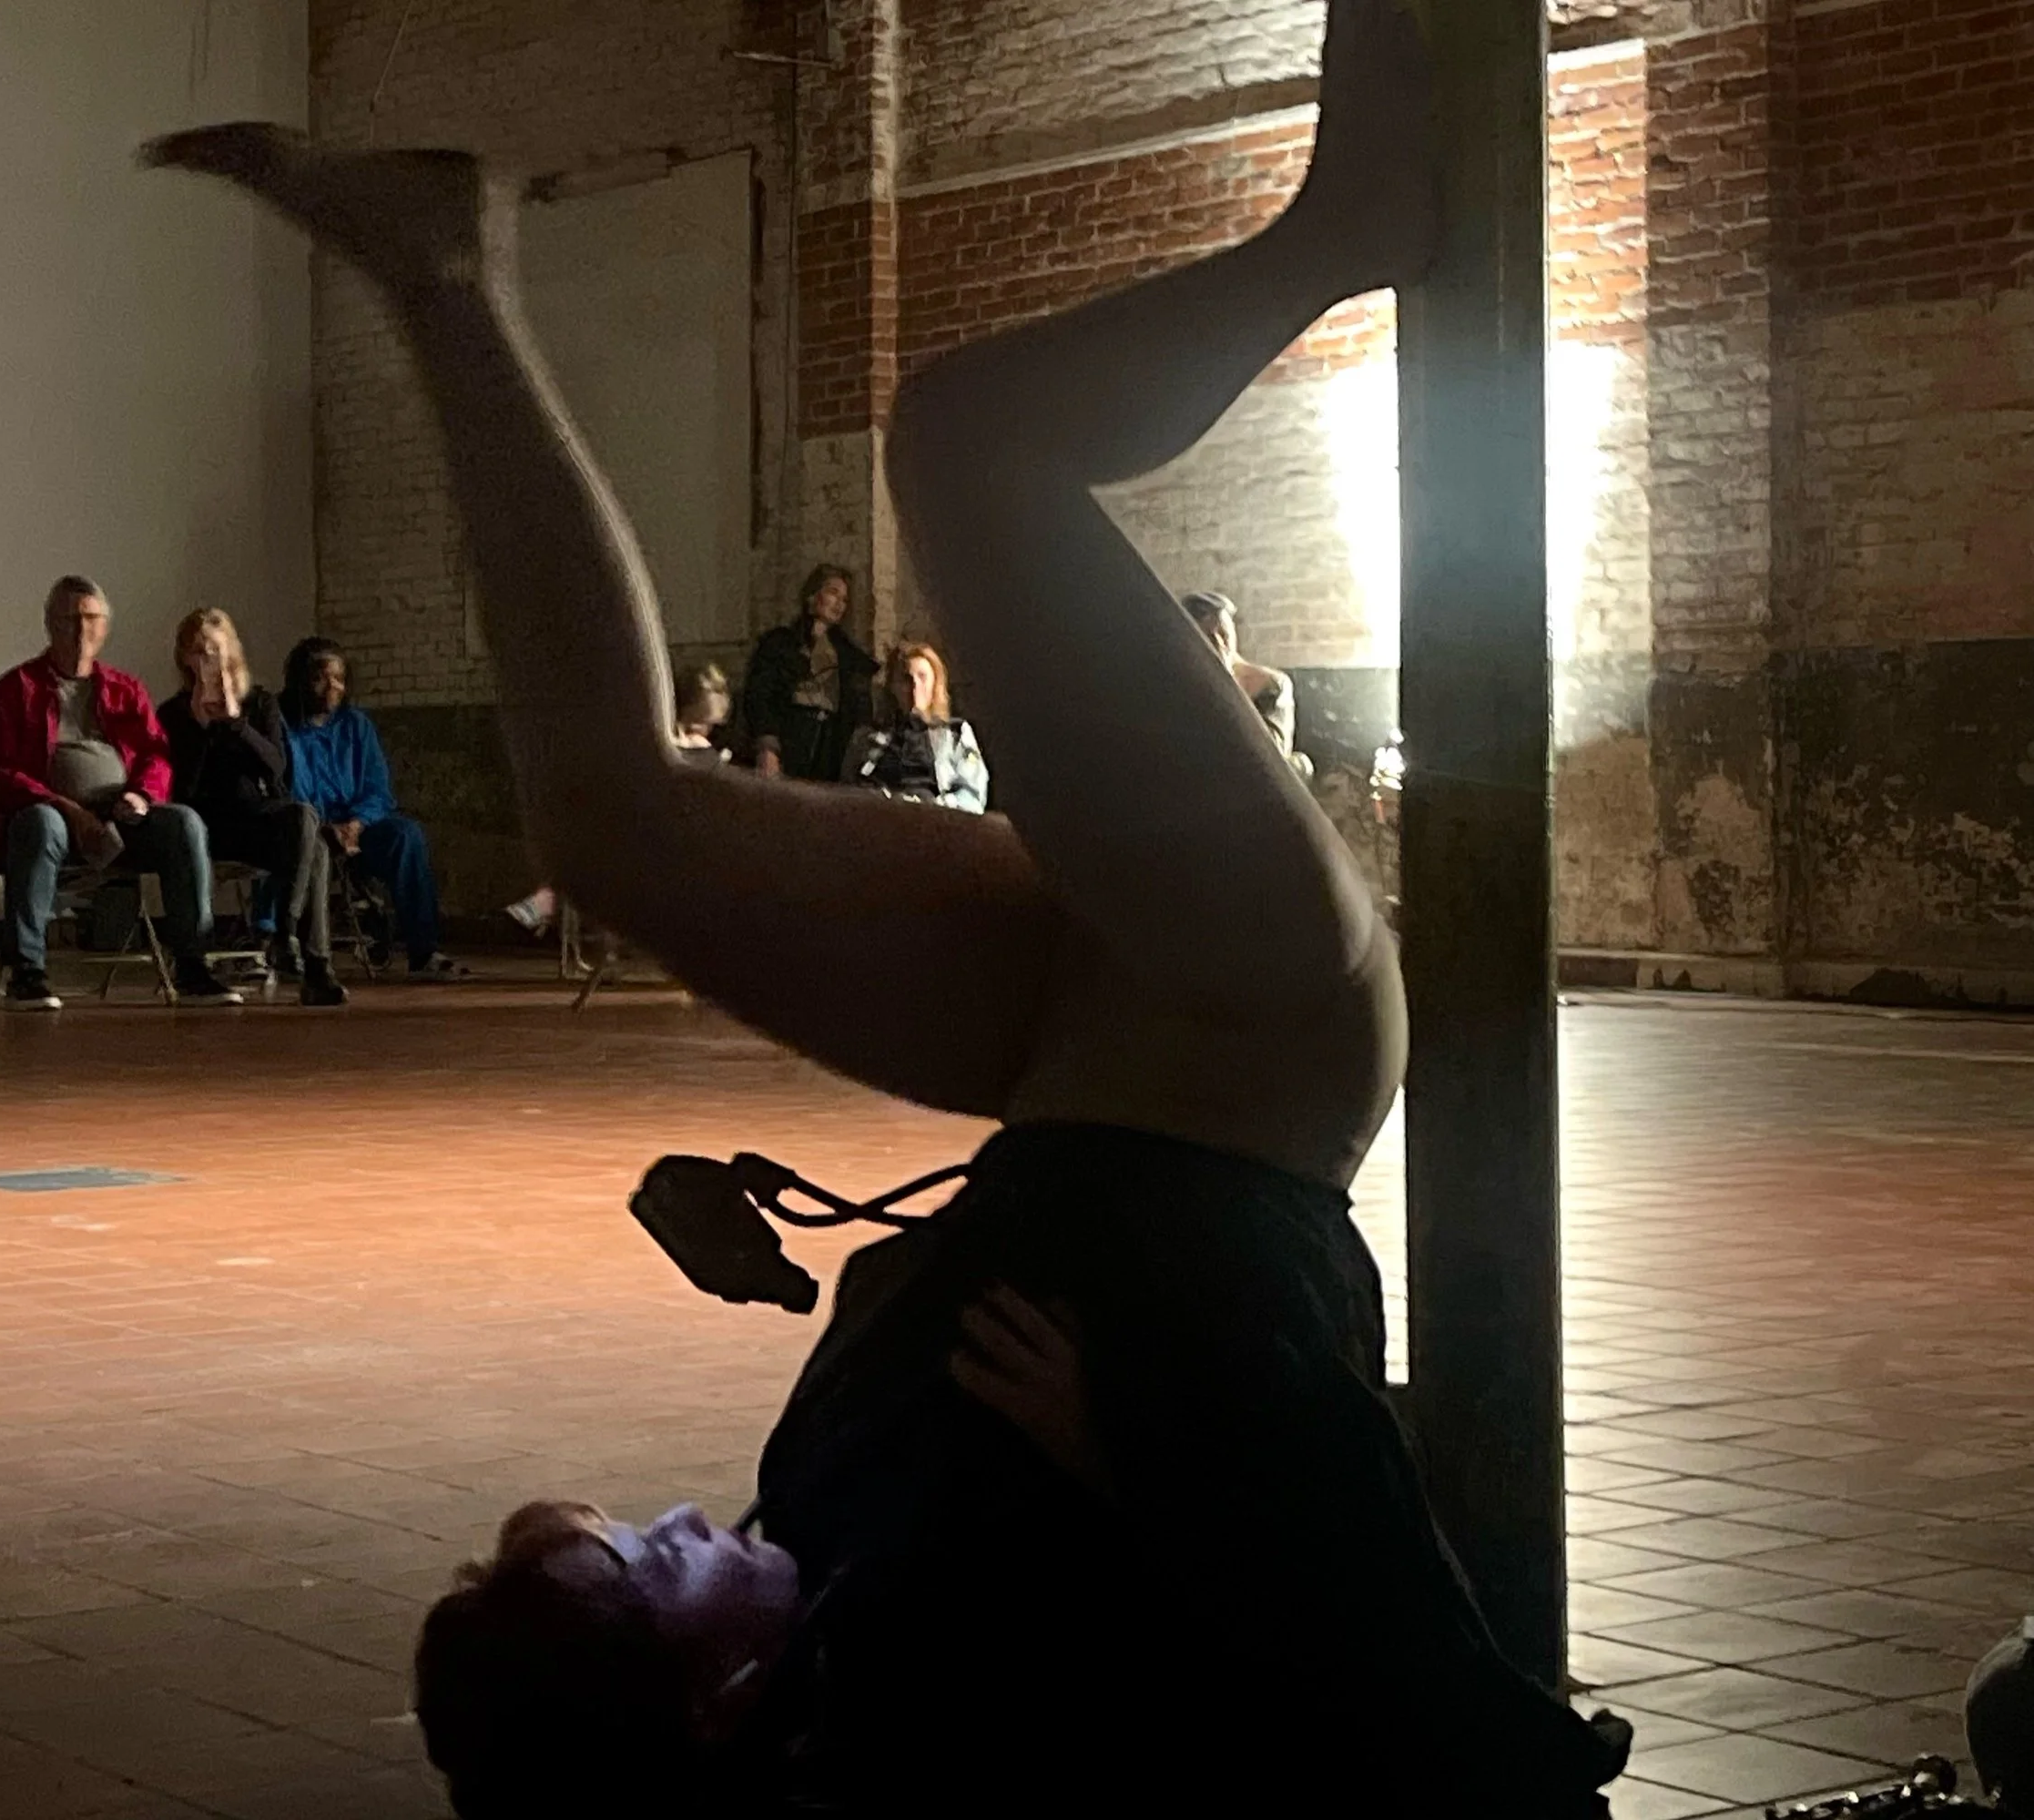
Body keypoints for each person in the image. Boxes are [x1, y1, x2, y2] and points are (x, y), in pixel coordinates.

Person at [145, 5, 1626, 1807]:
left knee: (610, 822)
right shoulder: (922, 1703)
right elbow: (1360, 1678)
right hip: (1238, 1048)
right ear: (703, 1700)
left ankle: (442, 271)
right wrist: (1163, 1470)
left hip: (1084, 1076)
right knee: (969, 442)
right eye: (647, 1559)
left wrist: (819, 1264)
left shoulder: (818, 1618)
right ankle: (1353, 224)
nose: (682, 1521)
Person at [0, 575, 240, 1011]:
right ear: (50, 624)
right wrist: (69, 810)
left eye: (90, 619)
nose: (80, 630)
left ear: (104, 627)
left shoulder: (125, 688)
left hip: (122, 811)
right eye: (69, 620)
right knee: (40, 824)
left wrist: (141, 796)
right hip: (53, 814)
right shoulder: (16, 688)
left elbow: (156, 755)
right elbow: (1, 773)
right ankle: (27, 972)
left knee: (184, 824)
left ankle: (193, 966)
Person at [159, 610, 347, 1007]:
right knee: (315, 847)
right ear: (185, 658)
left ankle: (287, 932)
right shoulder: (173, 714)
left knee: (305, 820)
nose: (209, 660)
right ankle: (310, 963)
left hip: (258, 820)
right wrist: (202, 729)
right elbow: (183, 791)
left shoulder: (260, 703)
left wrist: (236, 724)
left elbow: (276, 769)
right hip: (206, 829)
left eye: (216, 650)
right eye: (198, 652)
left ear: (232, 651)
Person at [278, 635, 464, 979]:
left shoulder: (356, 725)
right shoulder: (282, 726)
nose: (332, 687)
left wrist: (357, 823)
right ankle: (288, 946)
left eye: (339, 678)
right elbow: (286, 791)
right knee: (297, 834)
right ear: (300, 681)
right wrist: (324, 827)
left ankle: (424, 953)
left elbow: (378, 790)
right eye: (320, 678)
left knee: (407, 836)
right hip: (310, 829)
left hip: (356, 828)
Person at [506, 663, 730, 934]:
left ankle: (550, 899)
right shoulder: (683, 748)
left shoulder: (675, 747)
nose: (706, 732)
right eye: (703, 723)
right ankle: (553, 898)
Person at [738, 565, 876, 781]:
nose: (839, 603)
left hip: (830, 747)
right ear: (812, 595)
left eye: (844, 599)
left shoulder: (847, 653)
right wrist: (768, 746)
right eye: (833, 593)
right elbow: (760, 696)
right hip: (792, 736)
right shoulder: (780, 643)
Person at [840, 642, 989, 813]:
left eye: (922, 677)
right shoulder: (867, 736)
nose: (915, 686)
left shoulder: (955, 734)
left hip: (934, 818)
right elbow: (845, 792)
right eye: (906, 679)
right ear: (892, 686)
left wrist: (936, 806)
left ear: (935, 684)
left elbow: (972, 795)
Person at [1181, 587, 1307, 768]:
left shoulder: (1272, 684)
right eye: (1208, 637)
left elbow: (1273, 757)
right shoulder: (1186, 687)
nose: (1219, 643)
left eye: (1223, 633)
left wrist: (1226, 680)